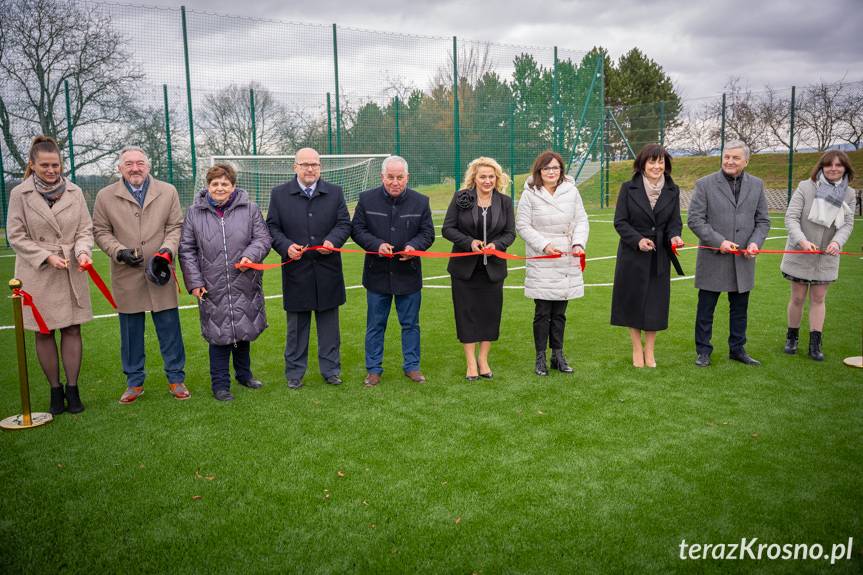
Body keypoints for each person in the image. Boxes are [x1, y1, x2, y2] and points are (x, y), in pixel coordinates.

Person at [92, 146, 188, 403]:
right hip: (126, 272)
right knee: (131, 331)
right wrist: (118, 251)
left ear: (148, 166)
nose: (135, 168)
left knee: (169, 328)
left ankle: (176, 378)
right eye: (129, 164)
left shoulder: (168, 191)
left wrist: (167, 251)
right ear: (120, 168)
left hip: (160, 270)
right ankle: (134, 382)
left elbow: (175, 226)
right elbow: (100, 231)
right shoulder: (105, 196)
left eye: (140, 163)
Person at [6, 136, 93, 415]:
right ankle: (55, 391)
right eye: (44, 165)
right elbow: (15, 236)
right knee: (44, 332)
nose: (51, 170)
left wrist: (82, 252)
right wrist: (45, 257)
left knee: (72, 328)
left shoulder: (75, 192)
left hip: (71, 269)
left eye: (55, 164)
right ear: (32, 165)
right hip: (38, 272)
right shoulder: (20, 194)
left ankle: (73, 389)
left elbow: (84, 230)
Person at [179, 164, 272, 400]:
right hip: (212, 285)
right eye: (215, 184)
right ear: (208, 186)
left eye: (225, 183)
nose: (220, 188)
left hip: (244, 281)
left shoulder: (250, 209)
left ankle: (244, 374)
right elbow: (187, 249)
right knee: (218, 335)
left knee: (243, 329)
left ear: (233, 186)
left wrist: (250, 256)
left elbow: (263, 238)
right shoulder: (194, 213)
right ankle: (220, 385)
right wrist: (195, 282)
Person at [266, 148, 352, 389]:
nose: (310, 169)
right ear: (295, 167)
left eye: (314, 164)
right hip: (296, 272)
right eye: (305, 164)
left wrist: (332, 241)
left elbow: (344, 223)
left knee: (329, 328)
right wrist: (286, 247)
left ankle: (331, 370)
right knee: (297, 328)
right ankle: (294, 373)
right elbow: (272, 228)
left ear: (320, 166)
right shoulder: (279, 194)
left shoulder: (334, 193)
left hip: (328, 271)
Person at [351, 156, 435, 387]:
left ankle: (412, 367)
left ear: (407, 178)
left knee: (410, 324)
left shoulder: (420, 201)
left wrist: (414, 246)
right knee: (376, 325)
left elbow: (428, 233)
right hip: (377, 274)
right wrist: (375, 244)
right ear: (382, 177)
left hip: (408, 274)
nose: (395, 182)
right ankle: (373, 370)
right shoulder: (366, 200)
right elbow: (357, 229)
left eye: (400, 177)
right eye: (390, 177)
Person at [688, 140, 770, 367]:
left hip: (743, 259)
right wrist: (719, 241)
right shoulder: (704, 184)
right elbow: (694, 220)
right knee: (706, 309)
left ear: (746, 161)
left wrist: (755, 243)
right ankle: (703, 351)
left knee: (740, 310)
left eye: (735, 158)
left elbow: (763, 221)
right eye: (726, 156)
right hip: (713, 257)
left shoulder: (756, 185)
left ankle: (737, 349)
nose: (729, 161)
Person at [610, 144, 684, 368]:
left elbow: (674, 223)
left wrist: (674, 237)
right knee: (633, 303)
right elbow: (620, 222)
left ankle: (649, 351)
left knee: (655, 305)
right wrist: (637, 240)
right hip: (632, 256)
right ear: (642, 164)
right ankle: (636, 348)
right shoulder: (628, 188)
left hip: (659, 257)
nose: (657, 166)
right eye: (652, 162)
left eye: (661, 162)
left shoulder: (673, 190)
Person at [442, 157, 516, 380]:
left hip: (493, 270)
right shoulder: (461, 198)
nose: (487, 181)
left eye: (491, 176)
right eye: (482, 176)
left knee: (490, 315)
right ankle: (470, 363)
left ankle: (483, 360)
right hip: (464, 270)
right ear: (474, 178)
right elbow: (448, 228)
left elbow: (510, 233)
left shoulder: (504, 202)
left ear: (497, 178)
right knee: (466, 315)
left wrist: (497, 245)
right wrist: (469, 242)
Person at [516, 150, 589, 376]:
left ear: (561, 170)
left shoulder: (572, 191)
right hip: (543, 259)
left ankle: (558, 355)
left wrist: (578, 243)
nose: (551, 172)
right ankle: (540, 358)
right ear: (539, 171)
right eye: (547, 168)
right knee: (542, 311)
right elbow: (522, 225)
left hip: (567, 258)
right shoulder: (529, 194)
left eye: (555, 168)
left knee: (560, 312)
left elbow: (581, 220)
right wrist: (545, 245)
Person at [780, 151, 856, 361]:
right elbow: (791, 218)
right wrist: (802, 241)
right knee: (797, 297)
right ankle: (792, 337)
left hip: (827, 256)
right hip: (801, 252)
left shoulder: (849, 193)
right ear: (821, 167)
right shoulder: (806, 187)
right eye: (829, 165)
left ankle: (815, 342)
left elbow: (848, 223)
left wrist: (836, 242)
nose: (834, 168)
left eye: (839, 165)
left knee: (819, 298)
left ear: (845, 168)